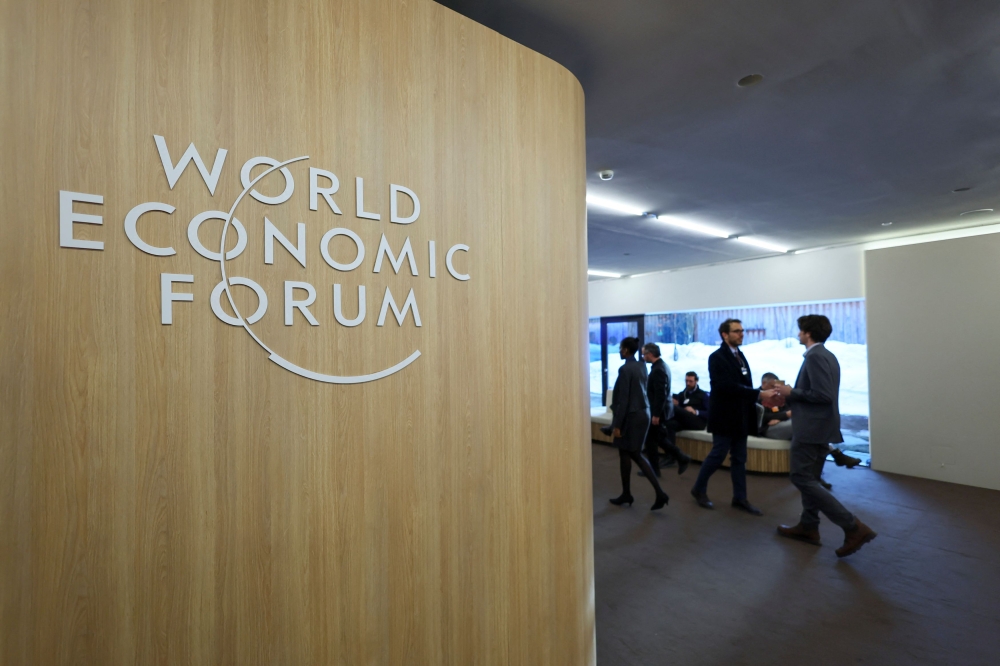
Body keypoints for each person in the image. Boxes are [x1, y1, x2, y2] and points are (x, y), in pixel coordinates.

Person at [774, 315, 877, 558]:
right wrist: (791, 395)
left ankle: (853, 526)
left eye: (800, 330)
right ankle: (809, 526)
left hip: (811, 428)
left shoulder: (815, 356)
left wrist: (792, 392)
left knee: (801, 478)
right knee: (811, 478)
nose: (798, 334)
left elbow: (822, 395)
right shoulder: (827, 355)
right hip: (820, 427)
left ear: (808, 333)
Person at [690, 319, 776, 515]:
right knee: (718, 454)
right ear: (725, 335)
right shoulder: (716, 357)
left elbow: (744, 383)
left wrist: (759, 395)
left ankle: (740, 498)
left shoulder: (741, 356)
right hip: (723, 416)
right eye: (737, 331)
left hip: (741, 416)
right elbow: (725, 386)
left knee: (739, 458)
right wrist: (757, 394)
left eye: (742, 331)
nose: (741, 334)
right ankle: (698, 489)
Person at [608, 337, 670, 511]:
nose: (620, 351)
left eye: (621, 348)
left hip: (632, 417)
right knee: (627, 454)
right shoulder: (642, 366)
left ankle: (659, 493)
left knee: (634, 455)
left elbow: (624, 399)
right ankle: (627, 493)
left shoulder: (625, 369)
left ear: (626, 350)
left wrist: (617, 425)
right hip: (643, 414)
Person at [641, 343, 691, 477]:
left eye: (644, 354)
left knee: (653, 440)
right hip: (661, 410)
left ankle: (679, 458)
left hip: (659, 412)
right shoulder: (662, 366)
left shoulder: (658, 370)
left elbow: (660, 394)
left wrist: (656, 414)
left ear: (650, 354)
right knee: (656, 439)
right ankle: (656, 468)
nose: (643, 356)